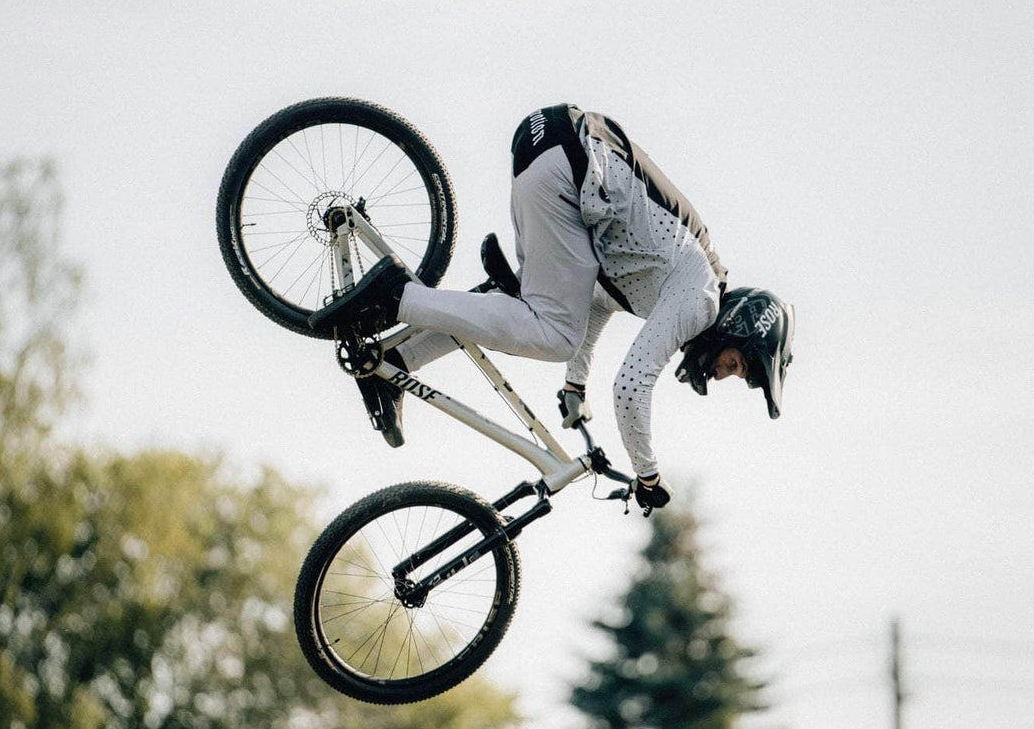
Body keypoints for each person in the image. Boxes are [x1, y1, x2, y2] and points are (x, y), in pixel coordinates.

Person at [336, 104, 794, 510]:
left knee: (537, 318)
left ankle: (398, 360)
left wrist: (576, 385)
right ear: (736, 327)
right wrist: (648, 475)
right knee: (553, 335)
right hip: (569, 169)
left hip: (549, 152)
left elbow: (596, 303)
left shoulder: (676, 277)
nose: (720, 374)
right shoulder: (700, 299)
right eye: (734, 364)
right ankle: (396, 296)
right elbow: (631, 386)